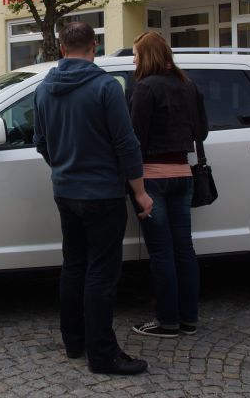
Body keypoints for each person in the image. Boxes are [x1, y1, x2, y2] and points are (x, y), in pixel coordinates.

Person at [33, 21, 153, 376]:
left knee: (74, 266)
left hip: (65, 192)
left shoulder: (43, 89)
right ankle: (102, 354)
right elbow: (126, 144)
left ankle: (75, 341)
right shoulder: (105, 87)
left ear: (61, 48)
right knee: (101, 273)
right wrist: (140, 192)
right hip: (102, 194)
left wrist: (62, 167)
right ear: (94, 47)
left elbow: (41, 142)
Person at [128, 32, 209, 339]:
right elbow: (202, 131)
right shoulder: (189, 85)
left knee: (161, 253)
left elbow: (135, 138)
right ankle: (189, 319)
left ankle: (168, 322)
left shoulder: (145, 88)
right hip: (183, 175)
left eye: (136, 54)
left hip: (153, 179)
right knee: (184, 249)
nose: (134, 60)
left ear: (147, 55)